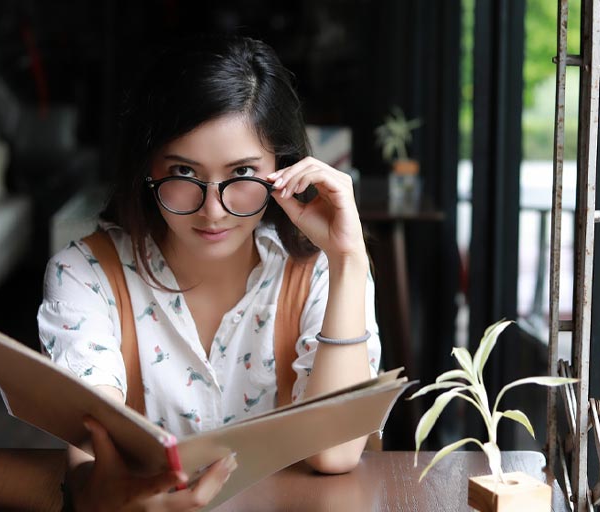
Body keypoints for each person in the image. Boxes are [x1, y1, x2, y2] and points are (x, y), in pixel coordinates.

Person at [37, 35, 382, 511]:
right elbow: (93, 454)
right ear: (147, 168)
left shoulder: (319, 275)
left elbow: (336, 452)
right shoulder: (86, 275)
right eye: (183, 171)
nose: (214, 210)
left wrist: (348, 259)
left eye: (242, 173)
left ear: (282, 170)